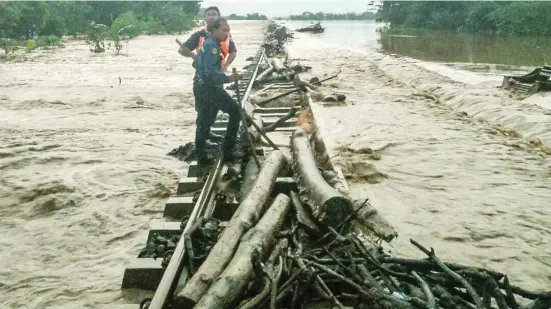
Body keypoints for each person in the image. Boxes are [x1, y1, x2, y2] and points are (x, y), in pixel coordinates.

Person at [178, 6, 237, 145]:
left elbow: (233, 52)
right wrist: (195, 57)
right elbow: (182, 49)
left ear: (219, 17)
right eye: (208, 14)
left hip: (217, 76)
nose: (211, 17)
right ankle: (203, 144)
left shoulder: (224, 34)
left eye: (214, 14)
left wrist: (226, 65)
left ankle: (205, 137)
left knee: (213, 109)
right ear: (205, 18)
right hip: (204, 78)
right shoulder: (200, 34)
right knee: (204, 112)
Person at [194, 18, 243, 166]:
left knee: (205, 121)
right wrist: (229, 78)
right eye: (224, 30)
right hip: (209, 88)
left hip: (202, 87)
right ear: (214, 30)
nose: (227, 34)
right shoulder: (211, 47)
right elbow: (210, 72)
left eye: (228, 30)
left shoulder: (210, 43)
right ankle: (228, 150)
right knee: (236, 112)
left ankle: (202, 158)